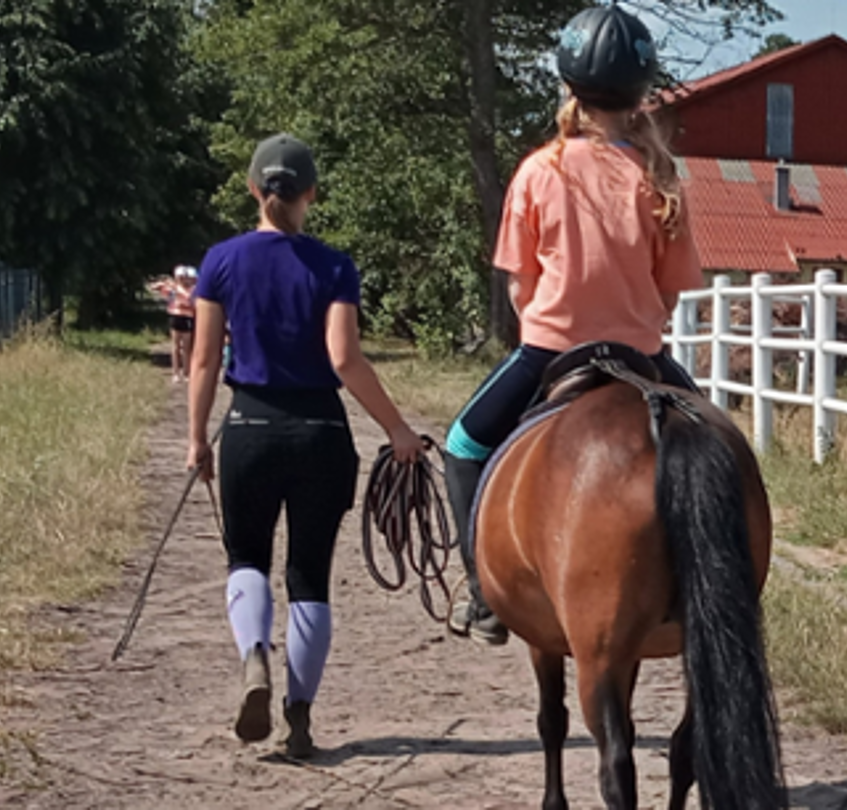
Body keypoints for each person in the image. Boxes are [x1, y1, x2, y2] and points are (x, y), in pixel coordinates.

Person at [442, 5, 704, 645]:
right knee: (714, 455)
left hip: (551, 350)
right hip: (642, 354)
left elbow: (519, 284)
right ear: (640, 94)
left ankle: (483, 595)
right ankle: (702, 586)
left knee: (463, 445)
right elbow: (671, 291)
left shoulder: (539, 170)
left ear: (569, 87)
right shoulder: (661, 176)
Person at [188, 133, 426, 758]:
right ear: (311, 193)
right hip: (322, 432)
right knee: (310, 578)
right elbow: (344, 359)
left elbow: (206, 360)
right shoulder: (334, 266)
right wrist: (398, 429)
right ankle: (299, 717)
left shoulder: (221, 261)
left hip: (249, 428)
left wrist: (195, 440)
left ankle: (253, 659)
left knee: (247, 560)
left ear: (252, 189)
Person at [149, 266, 199, 383]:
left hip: (188, 317)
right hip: (175, 317)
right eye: (180, 277)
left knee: (186, 347)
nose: (183, 280)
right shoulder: (173, 288)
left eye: (184, 277)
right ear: (176, 278)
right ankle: (175, 373)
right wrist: (164, 283)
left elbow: (192, 302)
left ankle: (187, 372)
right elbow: (155, 287)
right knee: (175, 346)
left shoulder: (192, 290)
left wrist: (184, 301)